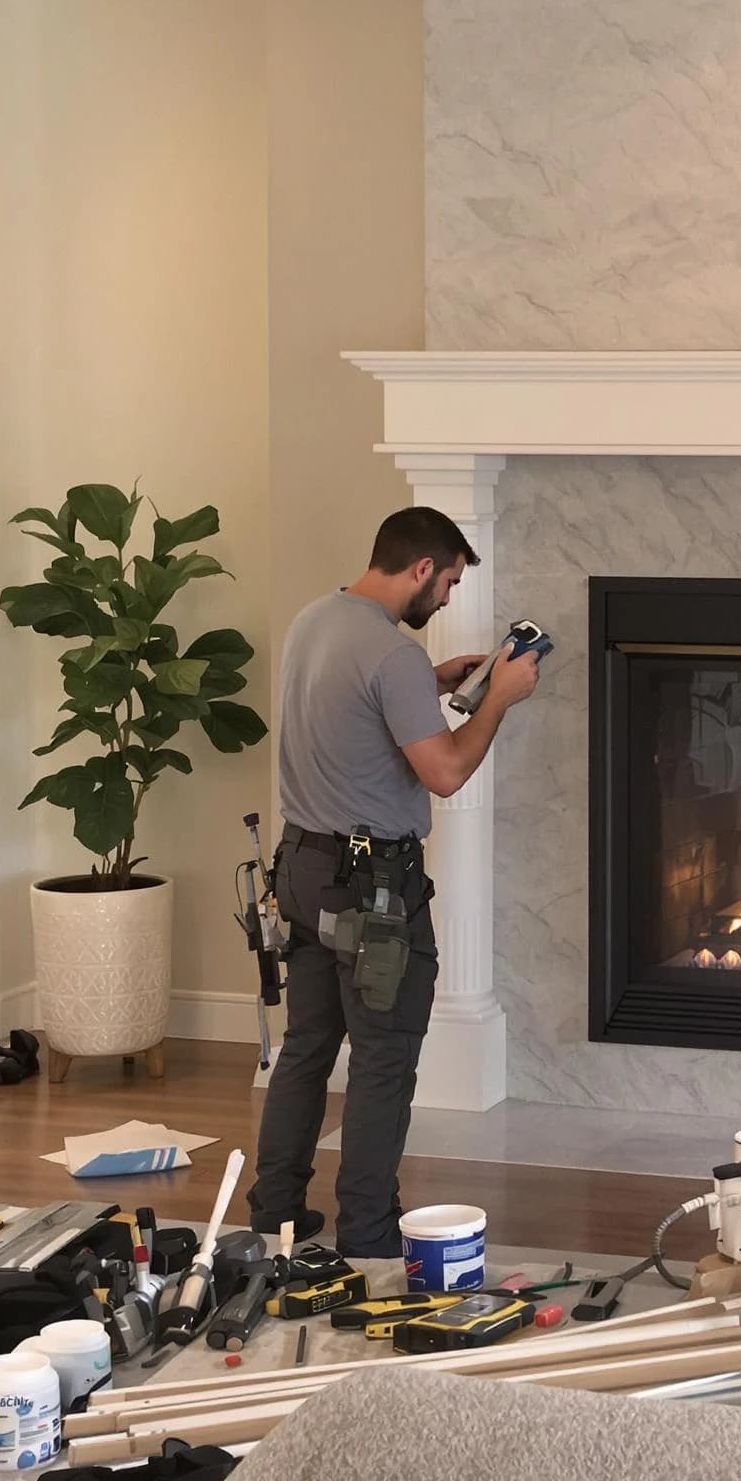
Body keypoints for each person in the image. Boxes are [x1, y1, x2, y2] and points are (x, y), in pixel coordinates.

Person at [248, 505, 541, 1254]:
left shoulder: (315, 620)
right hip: (373, 891)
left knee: (308, 1047)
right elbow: (443, 772)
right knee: (382, 1064)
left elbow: (355, 712)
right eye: (445, 583)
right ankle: (369, 1240)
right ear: (419, 569)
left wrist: (431, 683)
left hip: (304, 872)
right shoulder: (392, 658)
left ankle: (274, 1214)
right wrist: (498, 699)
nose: (445, 599)